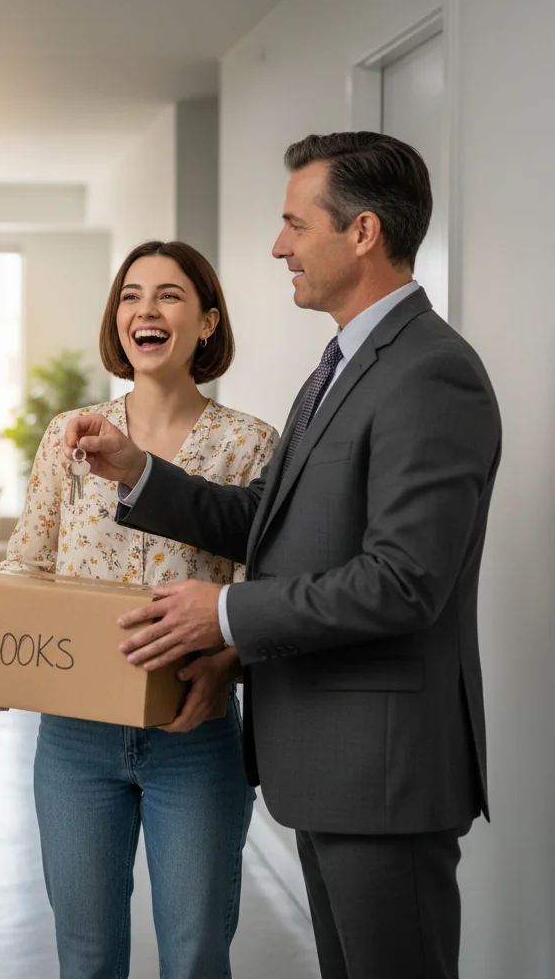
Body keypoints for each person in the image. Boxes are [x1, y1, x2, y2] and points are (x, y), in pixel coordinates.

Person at [65, 133, 502, 979]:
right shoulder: (344, 363)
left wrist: (222, 612)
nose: (278, 247)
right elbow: (274, 521)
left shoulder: (430, 372)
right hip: (331, 763)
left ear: (364, 232)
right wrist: (140, 474)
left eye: (294, 225)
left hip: (384, 772)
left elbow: (405, 581)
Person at [0, 240, 278, 978]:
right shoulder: (69, 437)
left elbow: (266, 590)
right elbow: (29, 562)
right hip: (75, 741)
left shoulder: (249, 445)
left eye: (169, 295)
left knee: (196, 953)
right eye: (131, 295)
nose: (146, 309)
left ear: (206, 322)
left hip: (194, 737)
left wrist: (227, 663)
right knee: (86, 955)